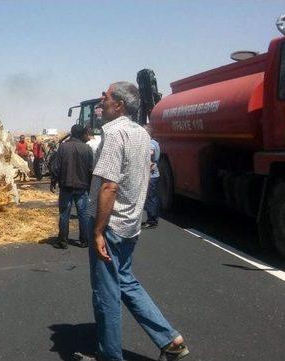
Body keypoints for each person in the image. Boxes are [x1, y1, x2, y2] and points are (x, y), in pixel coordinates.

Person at [83, 82, 189, 361]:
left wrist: (97, 232)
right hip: (130, 223)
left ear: (118, 105)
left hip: (111, 225)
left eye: (105, 96)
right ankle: (170, 340)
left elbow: (109, 186)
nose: (101, 100)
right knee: (126, 282)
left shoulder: (114, 134)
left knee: (106, 294)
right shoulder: (142, 134)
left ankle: (110, 356)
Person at [50, 124, 93, 249]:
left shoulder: (63, 147)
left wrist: (53, 182)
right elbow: (91, 169)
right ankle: (84, 241)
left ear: (72, 133)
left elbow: (56, 167)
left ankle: (63, 242)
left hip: (66, 186)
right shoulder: (87, 148)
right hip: (82, 187)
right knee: (83, 214)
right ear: (82, 134)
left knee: (64, 214)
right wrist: (90, 187)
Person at [142, 124, 161, 229]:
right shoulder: (155, 142)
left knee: (150, 198)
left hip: (151, 175)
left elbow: (149, 154)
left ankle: (152, 220)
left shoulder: (150, 144)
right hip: (155, 174)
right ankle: (154, 218)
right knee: (153, 197)